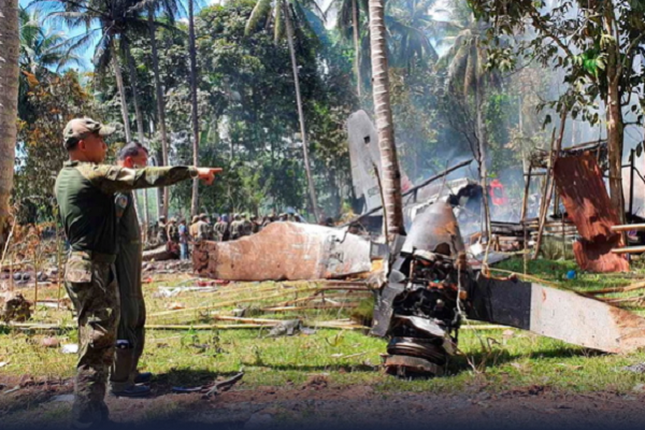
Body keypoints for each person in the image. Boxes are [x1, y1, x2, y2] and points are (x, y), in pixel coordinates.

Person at [55, 117, 221, 428]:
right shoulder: (92, 174)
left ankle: (93, 413)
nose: (104, 145)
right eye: (99, 139)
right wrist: (192, 172)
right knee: (96, 345)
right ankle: (88, 419)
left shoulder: (65, 176)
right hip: (92, 268)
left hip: (89, 266)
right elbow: (143, 177)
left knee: (98, 341)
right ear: (82, 145)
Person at [109, 142, 151, 398]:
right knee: (126, 315)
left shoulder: (126, 185)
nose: (145, 167)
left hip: (131, 260)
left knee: (137, 313)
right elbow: (110, 226)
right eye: (142, 162)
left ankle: (131, 371)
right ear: (128, 161)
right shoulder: (120, 187)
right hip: (122, 261)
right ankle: (120, 380)